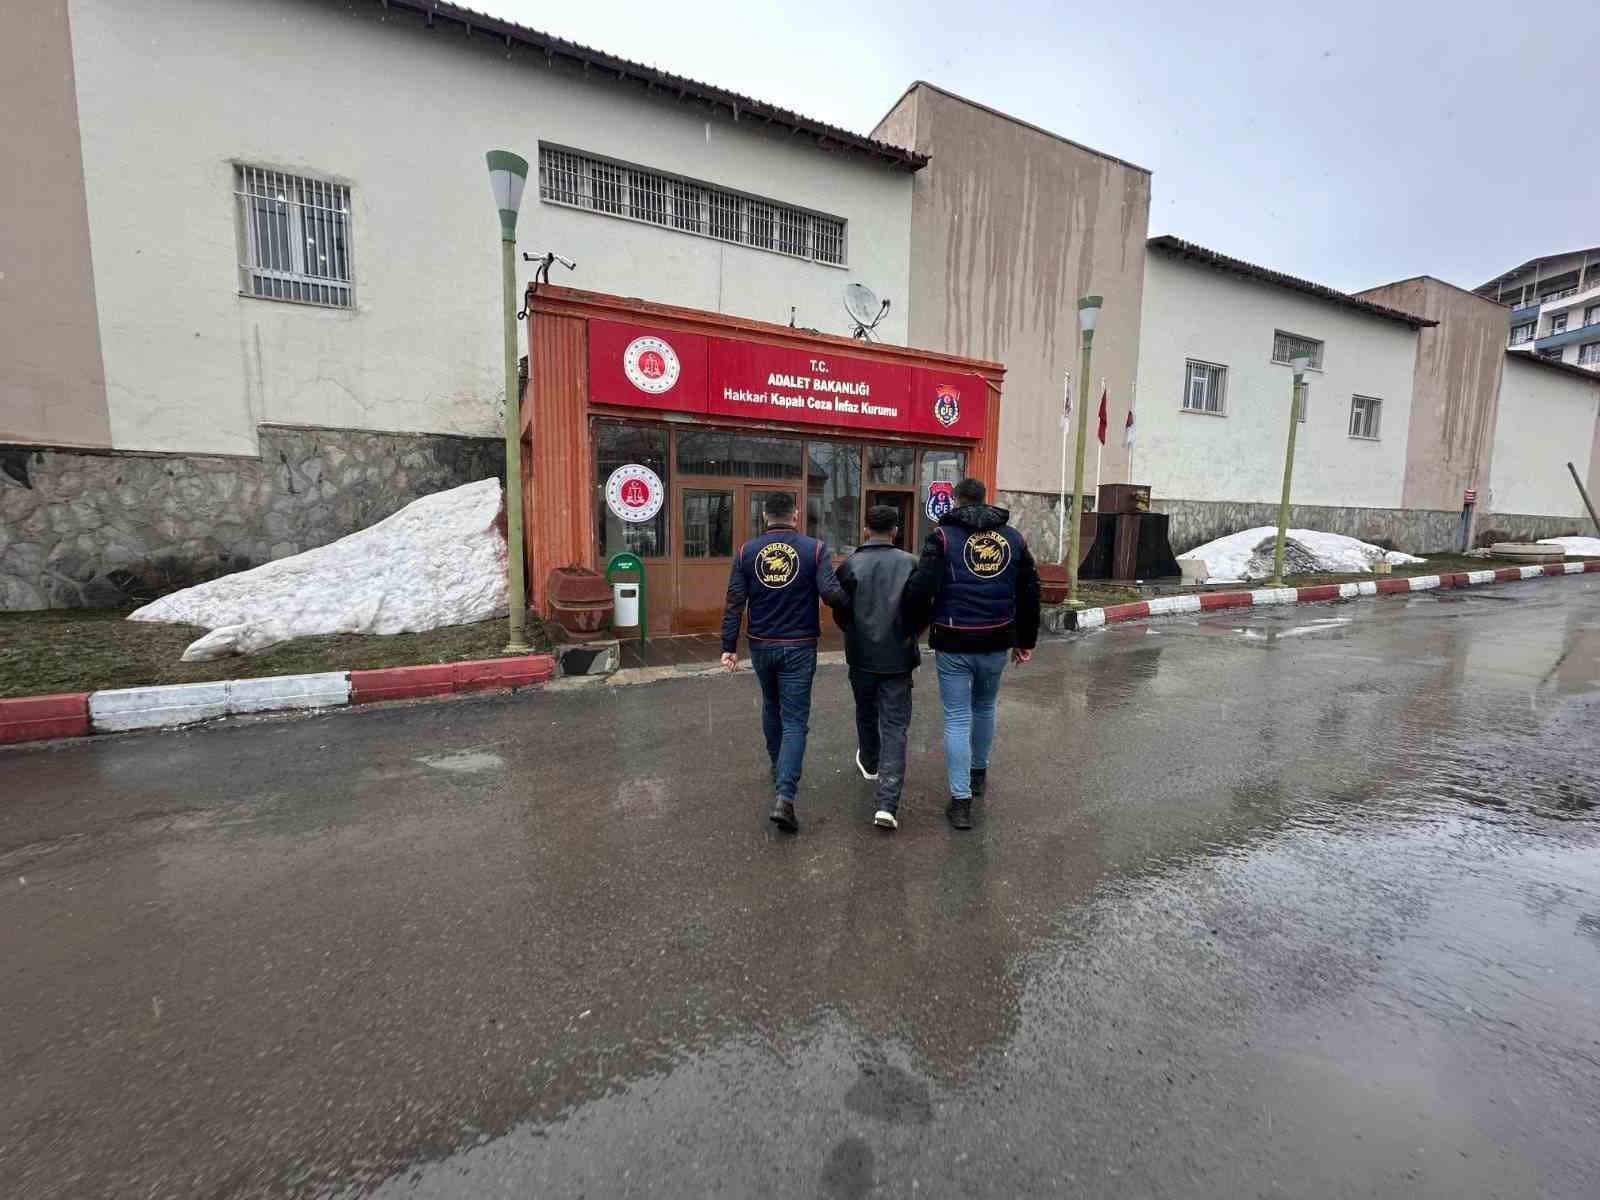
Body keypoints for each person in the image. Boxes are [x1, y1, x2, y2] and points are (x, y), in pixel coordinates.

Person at [904, 477, 1041, 831]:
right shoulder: (1012, 539)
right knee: (984, 707)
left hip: (954, 641)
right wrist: (1026, 640)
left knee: (957, 718)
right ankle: (978, 774)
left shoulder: (943, 537)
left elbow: (921, 589)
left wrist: (910, 630)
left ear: (955, 501)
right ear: (984, 501)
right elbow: (1029, 591)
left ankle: (961, 801)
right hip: (997, 639)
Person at [720, 491, 848, 833]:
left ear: (765, 517)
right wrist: (856, 605)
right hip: (799, 646)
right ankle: (785, 796)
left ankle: (779, 767)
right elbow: (832, 595)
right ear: (796, 515)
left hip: (761, 646)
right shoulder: (815, 549)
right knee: (794, 720)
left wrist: (729, 646)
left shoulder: (747, 552)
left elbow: (734, 601)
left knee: (771, 704)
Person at [833, 504, 921, 831]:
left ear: (865, 529)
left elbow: (840, 611)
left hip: (861, 656)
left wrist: (854, 633)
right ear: (895, 531)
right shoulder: (912, 564)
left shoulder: (850, 565)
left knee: (865, 711)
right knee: (895, 726)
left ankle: (870, 762)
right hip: (898, 657)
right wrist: (910, 633)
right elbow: (920, 607)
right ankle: (887, 803)